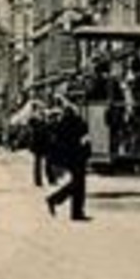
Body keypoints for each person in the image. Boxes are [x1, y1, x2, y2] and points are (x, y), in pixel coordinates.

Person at [45, 92, 92, 223]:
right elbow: (83, 136)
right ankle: (58, 201)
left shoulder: (63, 120)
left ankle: (74, 211)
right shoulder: (75, 120)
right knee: (78, 184)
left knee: (77, 184)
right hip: (76, 155)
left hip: (70, 155)